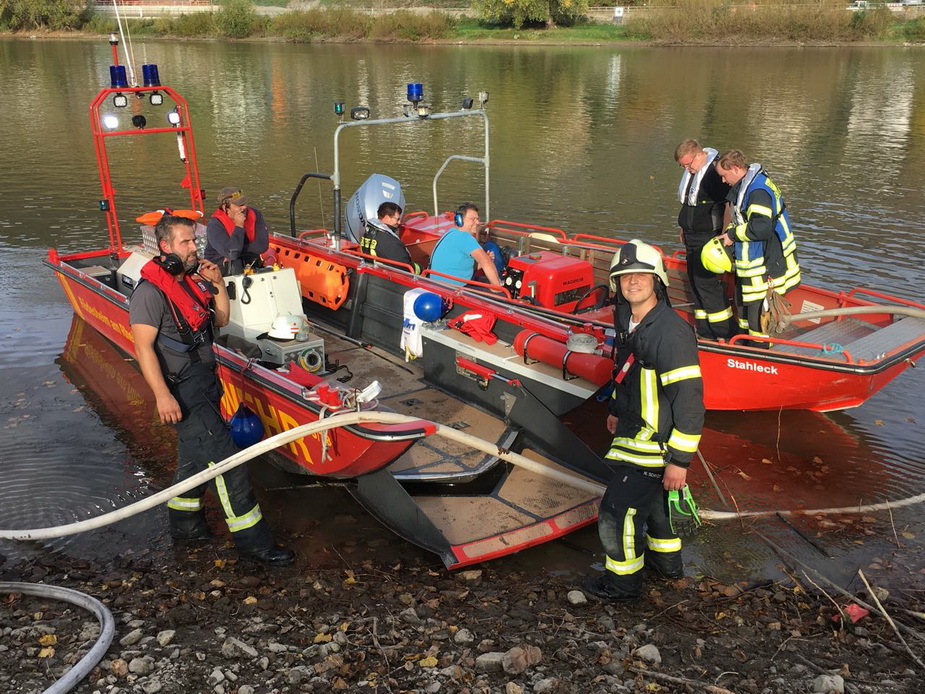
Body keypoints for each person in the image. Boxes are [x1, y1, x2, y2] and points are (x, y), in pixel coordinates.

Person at [130, 214, 294, 566]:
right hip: (183, 392)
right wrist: (162, 395)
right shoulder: (149, 293)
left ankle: (186, 527)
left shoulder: (193, 282)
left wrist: (218, 284)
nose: (194, 248)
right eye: (186, 242)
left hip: (206, 383)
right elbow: (143, 348)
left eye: (195, 241)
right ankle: (254, 545)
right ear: (165, 247)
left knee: (193, 461)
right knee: (228, 464)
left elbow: (220, 320)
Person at [582, 239, 704, 603]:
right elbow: (626, 373)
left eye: (641, 276)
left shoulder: (670, 332)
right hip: (633, 432)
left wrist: (680, 462)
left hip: (655, 445)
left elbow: (690, 401)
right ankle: (667, 569)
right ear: (616, 283)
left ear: (657, 281)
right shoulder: (626, 320)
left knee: (615, 514)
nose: (632, 282)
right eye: (624, 276)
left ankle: (622, 586)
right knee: (654, 510)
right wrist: (614, 410)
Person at [714, 150, 801, 347]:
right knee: (744, 308)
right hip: (755, 261)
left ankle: (759, 351)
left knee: (758, 316)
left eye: (724, 175)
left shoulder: (757, 191)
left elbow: (761, 228)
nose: (722, 181)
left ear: (735, 169)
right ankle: (744, 345)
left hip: (766, 263)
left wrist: (732, 235)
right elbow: (742, 218)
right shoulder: (749, 184)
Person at [674, 139, 735, 340]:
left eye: (688, 164)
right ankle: (704, 329)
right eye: (683, 166)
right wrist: (683, 228)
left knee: (706, 283)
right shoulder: (693, 171)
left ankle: (724, 331)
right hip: (691, 236)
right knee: (694, 281)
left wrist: (724, 234)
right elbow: (689, 205)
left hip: (708, 237)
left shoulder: (713, 174)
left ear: (699, 155)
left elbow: (728, 205)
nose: (687, 169)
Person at [429, 203, 502, 287]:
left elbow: (464, 266)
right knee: (502, 292)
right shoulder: (465, 237)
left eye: (477, 219)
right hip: (453, 288)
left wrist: (484, 260)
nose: (477, 222)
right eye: (473, 219)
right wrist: (497, 288)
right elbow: (486, 262)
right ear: (459, 220)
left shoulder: (451, 233)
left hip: (437, 285)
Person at [204, 187, 269, 276]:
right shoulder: (215, 225)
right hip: (220, 269)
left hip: (249, 263)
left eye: (244, 203)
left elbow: (262, 246)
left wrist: (237, 251)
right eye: (239, 205)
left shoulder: (255, 214)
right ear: (225, 207)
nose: (244, 207)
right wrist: (239, 226)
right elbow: (232, 254)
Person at [360, 202, 420, 272]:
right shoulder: (391, 242)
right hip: (388, 275)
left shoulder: (368, 232)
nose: (399, 222)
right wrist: (420, 268)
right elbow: (405, 267)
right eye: (397, 219)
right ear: (387, 218)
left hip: (372, 269)